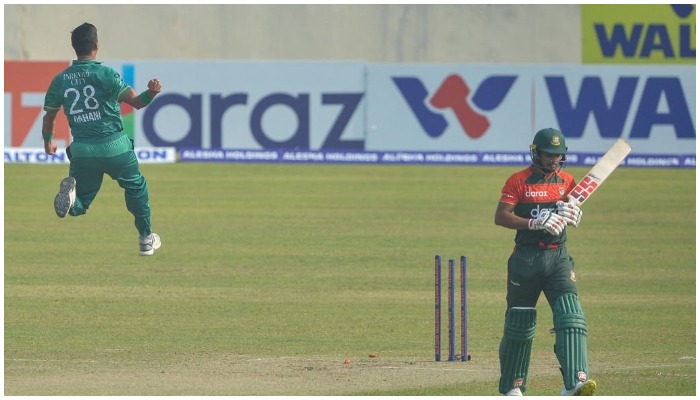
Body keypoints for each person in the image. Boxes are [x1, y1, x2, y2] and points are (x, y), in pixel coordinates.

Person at [42, 22, 162, 256]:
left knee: (81, 205)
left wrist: (48, 141)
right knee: (137, 187)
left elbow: (50, 117)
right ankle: (146, 239)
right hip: (115, 148)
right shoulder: (106, 74)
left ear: (74, 47)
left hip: (83, 151)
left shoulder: (60, 80)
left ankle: (72, 198)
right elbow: (137, 103)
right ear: (97, 46)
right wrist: (152, 93)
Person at [494, 128, 596, 396]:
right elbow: (501, 216)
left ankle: (575, 381)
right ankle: (512, 388)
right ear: (536, 153)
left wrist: (573, 213)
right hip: (526, 258)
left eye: (558, 155)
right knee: (520, 324)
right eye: (549, 155)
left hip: (558, 257)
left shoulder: (567, 180)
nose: (554, 160)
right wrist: (533, 222)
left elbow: (571, 207)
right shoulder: (518, 181)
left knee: (571, 317)